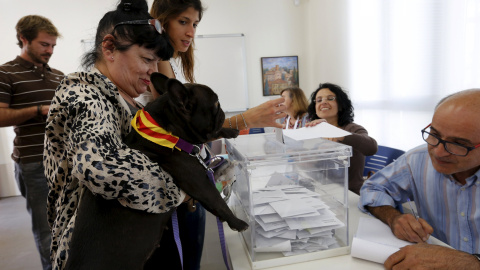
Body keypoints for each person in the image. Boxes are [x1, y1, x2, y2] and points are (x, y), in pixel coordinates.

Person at [142, 1, 287, 269]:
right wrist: (246, 119)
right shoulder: (156, 66)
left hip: (188, 199)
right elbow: (181, 139)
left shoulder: (169, 65)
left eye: (195, 24)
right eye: (183, 22)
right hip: (173, 204)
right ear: (161, 22)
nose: (190, 32)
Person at [43, 1, 187, 269]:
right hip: (93, 253)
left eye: (156, 62)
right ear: (109, 48)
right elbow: (102, 168)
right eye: (146, 59)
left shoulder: (129, 103)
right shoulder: (82, 95)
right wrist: (180, 188)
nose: (152, 72)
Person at [359, 89, 480, 270]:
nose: (438, 152)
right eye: (435, 134)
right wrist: (393, 218)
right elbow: (373, 188)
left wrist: (469, 263)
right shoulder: (417, 159)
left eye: (458, 144)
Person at [0, 15, 63, 270]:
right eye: (44, 44)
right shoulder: (5, 73)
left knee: (70, 225)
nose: (49, 51)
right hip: (34, 164)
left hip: (65, 162)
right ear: (24, 40)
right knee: (47, 232)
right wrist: (38, 110)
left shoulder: (59, 76)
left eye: (52, 46)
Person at [305, 83, 377, 194]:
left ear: (341, 104)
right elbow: (313, 167)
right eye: (318, 100)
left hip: (349, 193)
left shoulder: (352, 128)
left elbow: (371, 147)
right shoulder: (315, 131)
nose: (323, 102)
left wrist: (336, 133)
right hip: (322, 190)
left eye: (330, 98)